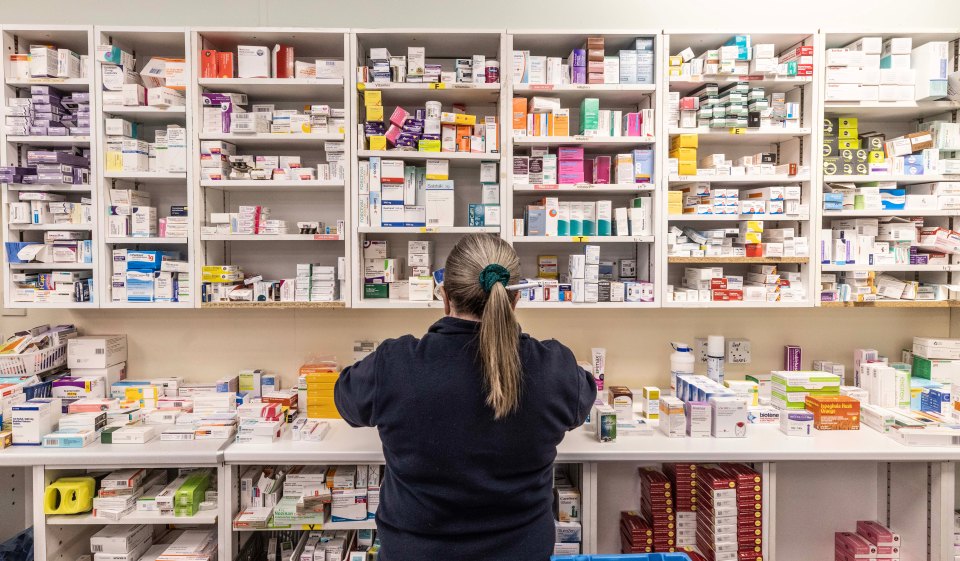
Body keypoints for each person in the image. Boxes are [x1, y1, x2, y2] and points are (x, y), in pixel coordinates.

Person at [335, 233, 597, 561]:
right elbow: (583, 396)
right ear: (514, 302)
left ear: (445, 298)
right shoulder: (553, 369)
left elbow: (345, 399)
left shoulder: (396, 365)